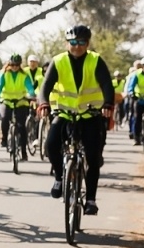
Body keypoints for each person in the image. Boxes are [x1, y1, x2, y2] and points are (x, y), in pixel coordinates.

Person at [37, 24, 115, 216]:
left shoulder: (96, 60)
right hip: (65, 113)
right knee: (51, 144)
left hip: (89, 115)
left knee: (93, 157)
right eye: (73, 42)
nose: (77, 46)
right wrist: (44, 103)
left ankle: (90, 199)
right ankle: (59, 177)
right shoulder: (58, 61)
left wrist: (107, 105)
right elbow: (45, 87)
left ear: (87, 44)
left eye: (81, 43)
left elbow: (107, 85)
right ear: (67, 43)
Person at [0, 53, 36, 154]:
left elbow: (30, 88)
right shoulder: (4, 74)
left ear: (20, 65)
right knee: (5, 118)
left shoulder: (24, 75)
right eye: (13, 65)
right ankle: (4, 139)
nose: (15, 67)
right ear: (9, 64)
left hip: (20, 101)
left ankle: (23, 151)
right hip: (6, 101)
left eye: (17, 65)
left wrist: (31, 95)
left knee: (21, 126)